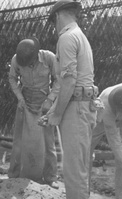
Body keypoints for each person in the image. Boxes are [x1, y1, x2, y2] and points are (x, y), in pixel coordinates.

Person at [44, 1, 99, 198]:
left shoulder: (67, 38)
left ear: (58, 17)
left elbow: (68, 82)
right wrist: (54, 111)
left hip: (76, 107)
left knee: (74, 170)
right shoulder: (80, 36)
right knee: (80, 165)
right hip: (82, 104)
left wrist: (57, 114)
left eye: (54, 22)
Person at [8, 37, 59, 189]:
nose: (28, 65)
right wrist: (20, 98)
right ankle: (14, 174)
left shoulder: (49, 57)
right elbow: (12, 78)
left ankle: (51, 177)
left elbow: (58, 81)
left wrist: (49, 100)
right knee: (18, 139)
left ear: (36, 54)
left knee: (48, 142)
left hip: (44, 101)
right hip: (25, 101)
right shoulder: (16, 60)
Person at [90, 82, 122, 199]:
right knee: (86, 150)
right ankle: (83, 191)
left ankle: (121, 196)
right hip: (102, 120)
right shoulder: (106, 106)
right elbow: (115, 142)